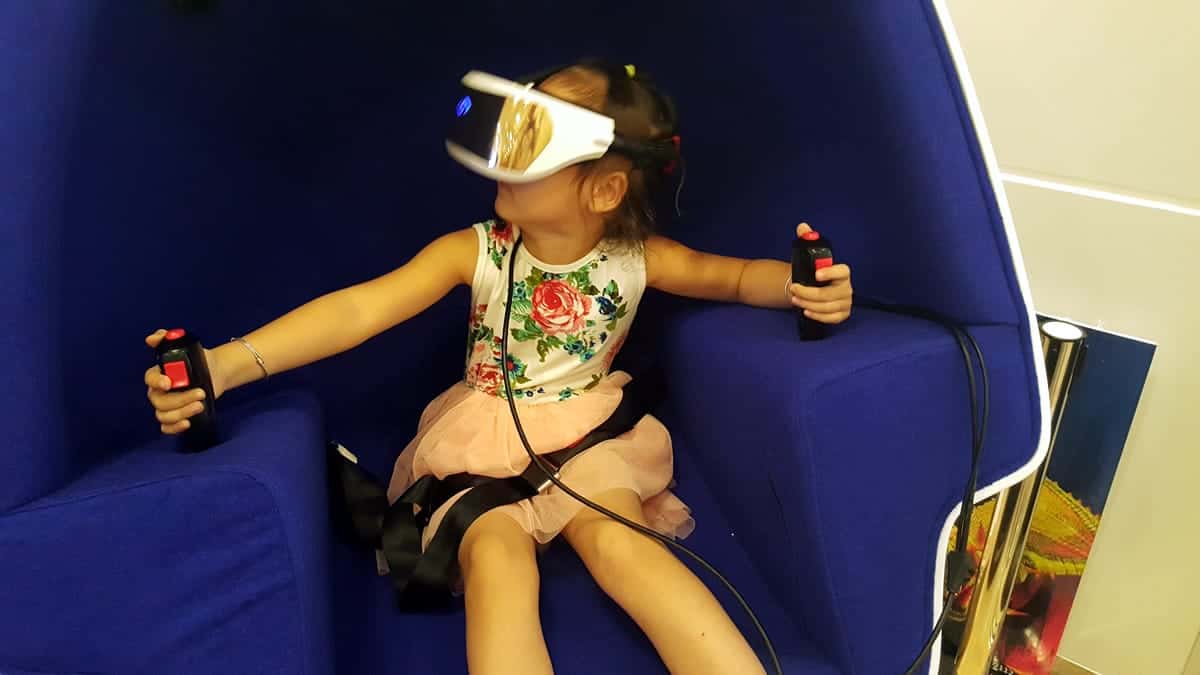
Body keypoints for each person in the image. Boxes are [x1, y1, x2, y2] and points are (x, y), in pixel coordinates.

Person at [142, 59, 853, 675]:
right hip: (481, 441)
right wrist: (226, 364)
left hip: (589, 439)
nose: (500, 151)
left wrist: (802, 284)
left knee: (622, 542)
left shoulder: (639, 260)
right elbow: (361, 310)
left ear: (603, 190)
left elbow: (729, 279)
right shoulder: (473, 249)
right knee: (494, 558)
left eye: (531, 140)